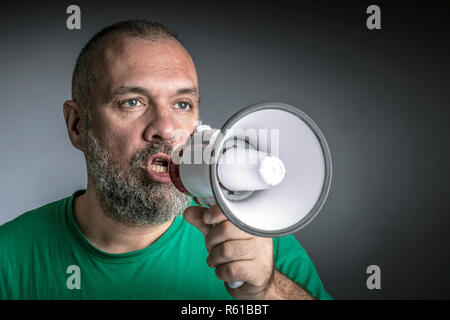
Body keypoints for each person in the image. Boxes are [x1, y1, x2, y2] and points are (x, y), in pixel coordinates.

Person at [0, 20, 331, 300]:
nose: (166, 128)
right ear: (77, 126)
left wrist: (268, 287)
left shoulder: (257, 236)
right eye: (132, 102)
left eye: (183, 104)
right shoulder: (9, 259)